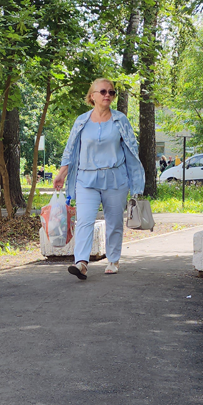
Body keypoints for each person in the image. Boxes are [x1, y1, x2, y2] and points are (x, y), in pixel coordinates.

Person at [53, 78, 145, 279]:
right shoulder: (82, 121)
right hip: (86, 179)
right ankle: (81, 263)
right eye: (103, 91)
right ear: (92, 96)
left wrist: (137, 183)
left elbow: (132, 151)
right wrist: (62, 173)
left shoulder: (120, 120)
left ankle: (113, 260)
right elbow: (70, 149)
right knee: (85, 220)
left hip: (115, 178)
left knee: (114, 222)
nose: (107, 95)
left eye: (111, 93)